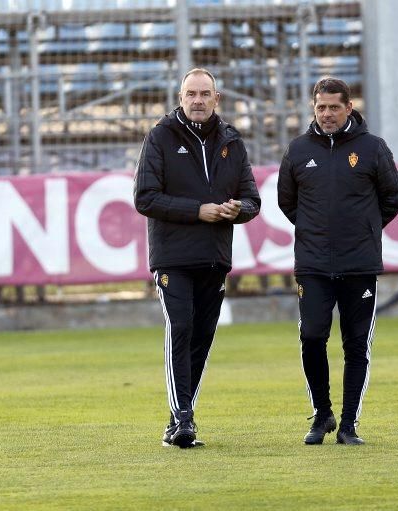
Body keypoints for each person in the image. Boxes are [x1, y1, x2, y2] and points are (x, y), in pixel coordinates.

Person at [134, 68, 261, 448]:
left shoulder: (232, 141)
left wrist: (238, 209)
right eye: (191, 94)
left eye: (205, 94)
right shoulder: (159, 137)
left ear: (216, 98)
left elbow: (253, 199)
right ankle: (184, 418)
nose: (198, 100)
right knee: (181, 327)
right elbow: (145, 198)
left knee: (202, 337)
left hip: (214, 257)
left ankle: (177, 420)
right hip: (172, 256)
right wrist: (198, 210)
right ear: (180, 97)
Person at [277, 77, 398, 445]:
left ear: (349, 107)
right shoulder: (298, 150)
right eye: (321, 107)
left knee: (356, 344)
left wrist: (364, 230)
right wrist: (316, 232)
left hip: (359, 264)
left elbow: (392, 199)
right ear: (312, 109)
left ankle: (349, 425)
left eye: (334, 107)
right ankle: (322, 414)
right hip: (313, 264)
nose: (327, 114)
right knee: (312, 335)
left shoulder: (372, 148)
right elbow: (289, 203)